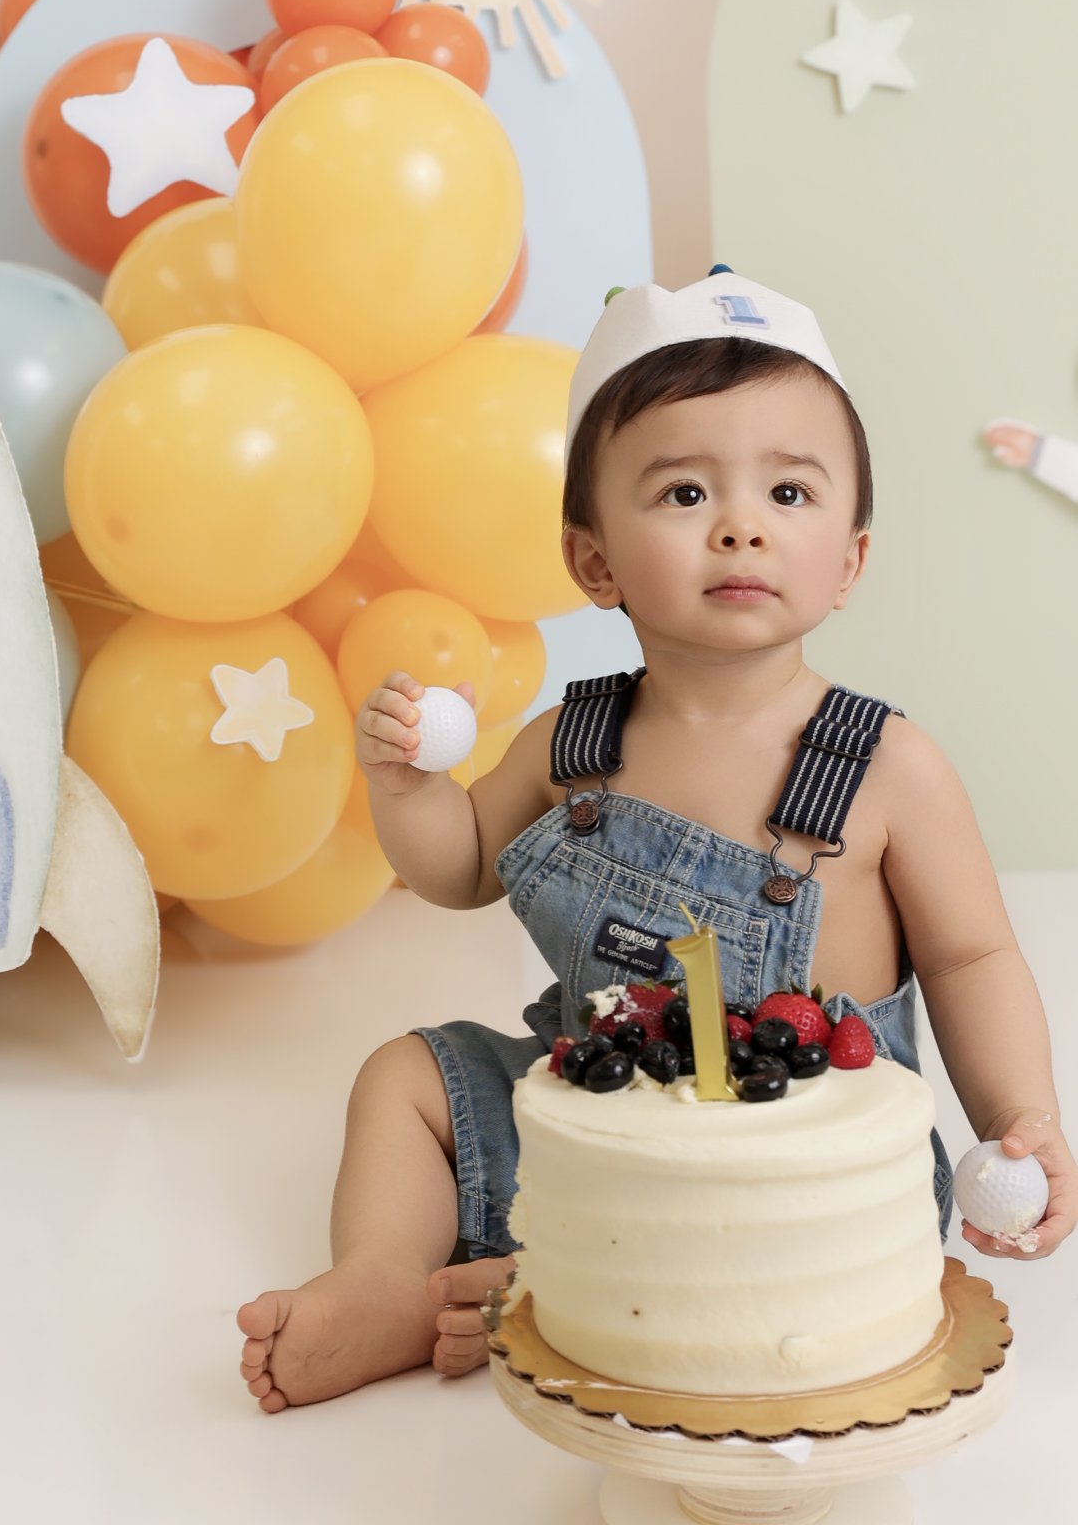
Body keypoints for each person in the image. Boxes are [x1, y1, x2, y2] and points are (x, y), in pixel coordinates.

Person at [237, 271, 1073, 1414]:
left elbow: (972, 958)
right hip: (587, 1119)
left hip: (800, 1184)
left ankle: (539, 1292)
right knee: (404, 1077)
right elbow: (457, 866)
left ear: (848, 561)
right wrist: (405, 785)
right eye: (682, 491)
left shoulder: (886, 768)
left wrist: (1017, 1116)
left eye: (786, 488)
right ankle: (388, 1276)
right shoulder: (572, 739)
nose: (738, 521)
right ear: (593, 561)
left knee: (748, 1251)